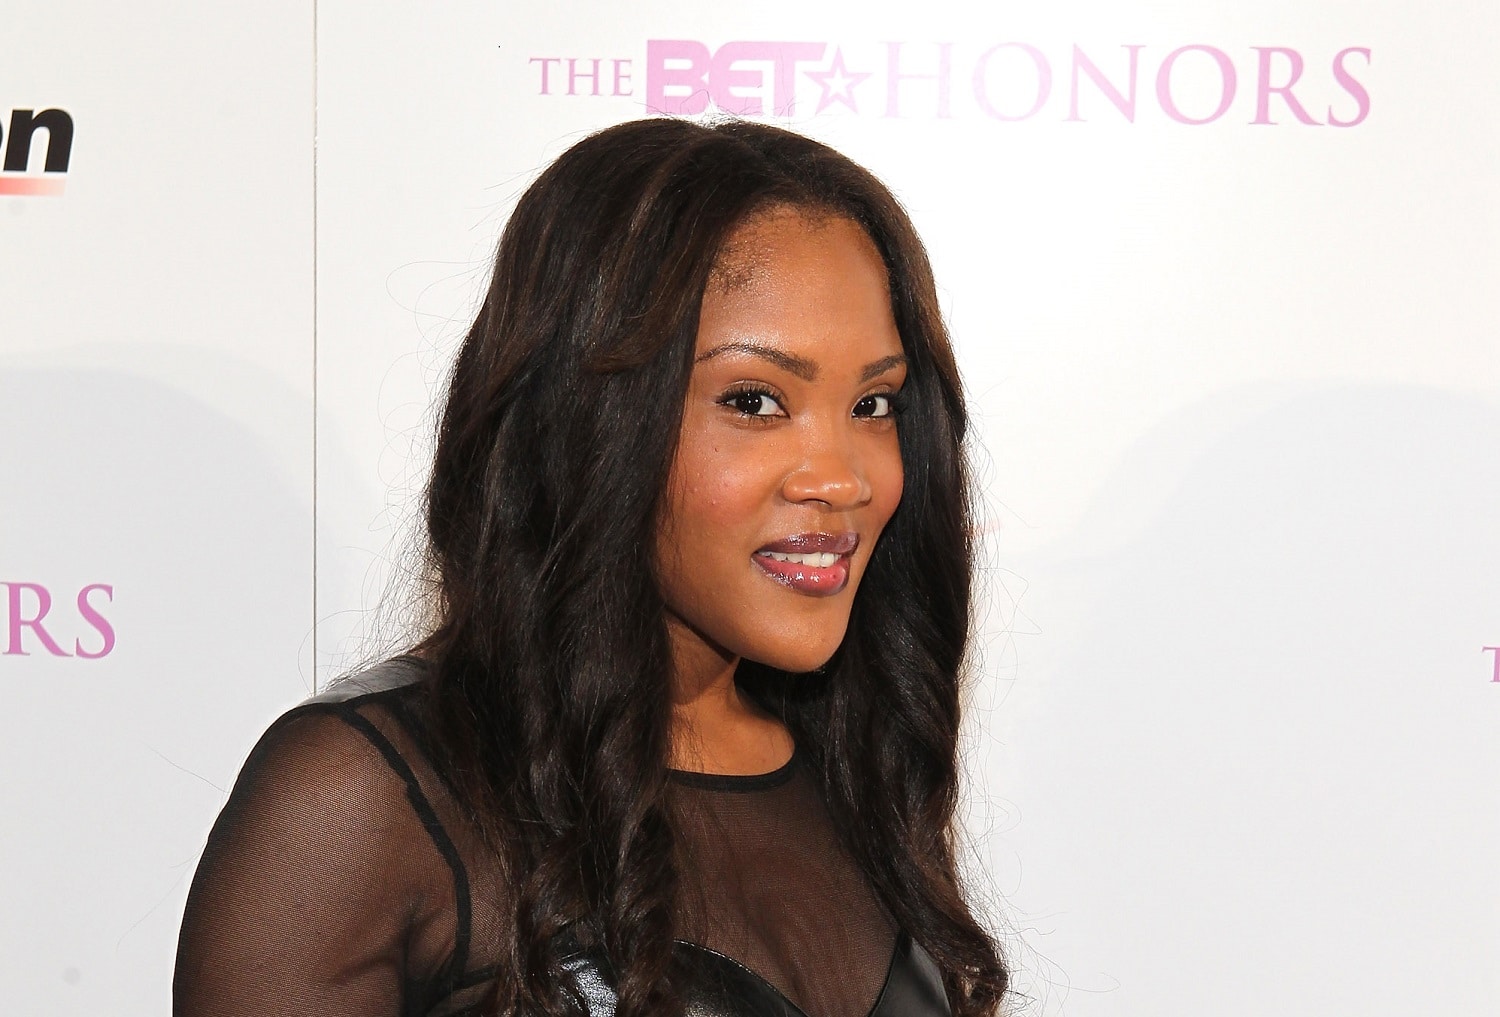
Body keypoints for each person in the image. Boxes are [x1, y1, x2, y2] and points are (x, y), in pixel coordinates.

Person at [173, 118, 1010, 1017]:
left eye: (873, 402)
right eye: (755, 400)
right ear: (589, 417)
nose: (843, 476)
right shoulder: (369, 799)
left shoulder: (857, 768)